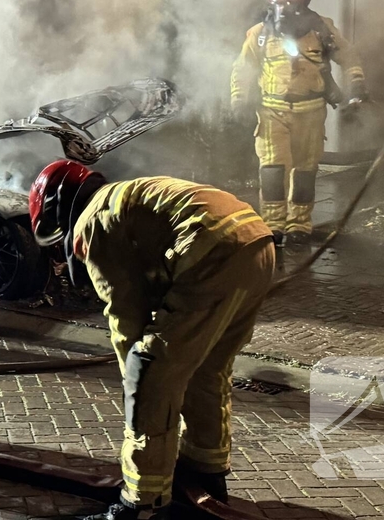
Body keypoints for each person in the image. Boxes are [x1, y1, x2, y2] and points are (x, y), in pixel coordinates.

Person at [29, 160, 275, 520]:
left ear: (58, 212)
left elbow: (125, 315)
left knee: (151, 374)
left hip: (211, 254)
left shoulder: (93, 222)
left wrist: (137, 380)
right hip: (257, 245)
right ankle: (205, 474)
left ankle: (142, 504)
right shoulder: (123, 196)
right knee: (207, 370)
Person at [230, 0, 368, 247]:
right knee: (272, 168)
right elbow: (242, 69)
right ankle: (273, 225)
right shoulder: (259, 33)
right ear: (271, 4)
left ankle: (299, 224)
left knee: (305, 170)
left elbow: (349, 56)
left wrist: (357, 87)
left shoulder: (322, 30)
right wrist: (238, 100)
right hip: (271, 111)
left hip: (311, 112)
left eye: (290, 4)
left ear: (305, 4)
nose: (283, 11)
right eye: (278, 4)